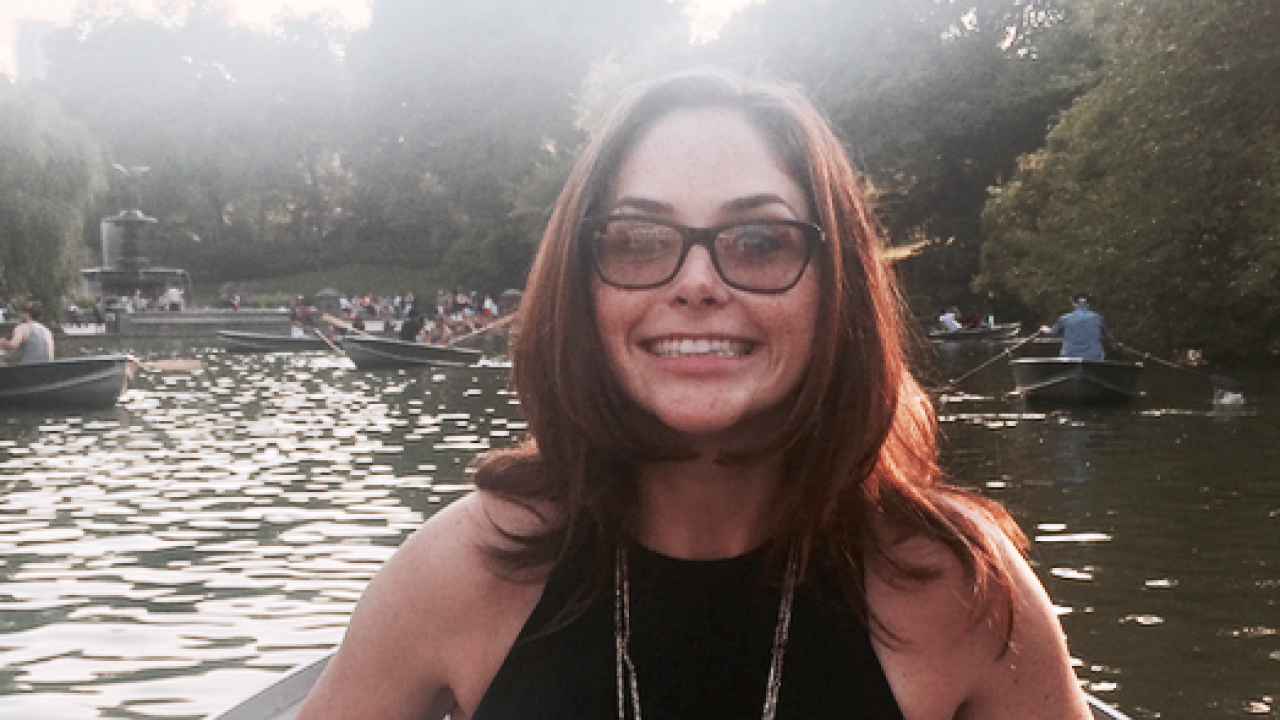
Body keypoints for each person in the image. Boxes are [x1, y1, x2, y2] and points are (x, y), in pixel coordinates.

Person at [297, 69, 1089, 720]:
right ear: (581, 289)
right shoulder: (461, 570)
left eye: (760, 241)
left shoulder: (963, 590)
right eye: (640, 241)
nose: (697, 283)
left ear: (835, 287)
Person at [1043, 293, 1111, 361]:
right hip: (1094, 357)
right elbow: (1108, 337)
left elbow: (1052, 333)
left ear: (1074, 304)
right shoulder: (1098, 318)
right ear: (1088, 304)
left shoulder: (1064, 319)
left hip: (1069, 356)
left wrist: (1045, 329)